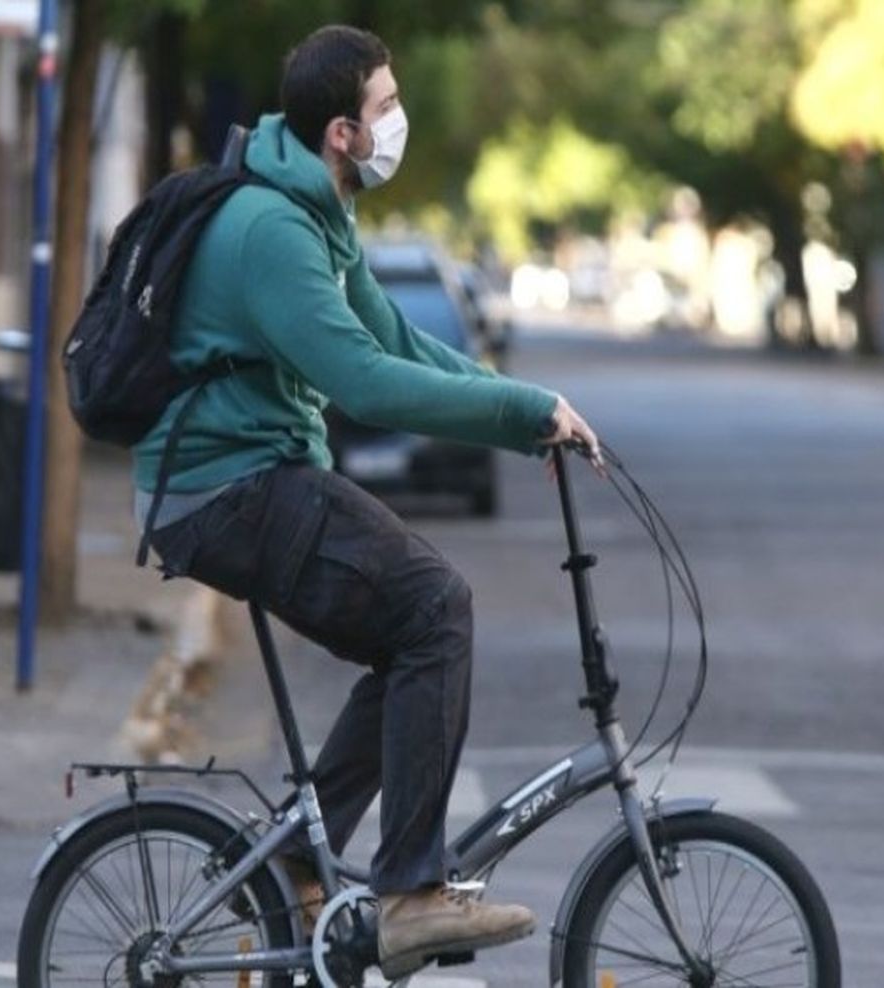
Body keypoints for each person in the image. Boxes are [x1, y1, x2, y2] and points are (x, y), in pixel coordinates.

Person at [134, 24, 601, 979]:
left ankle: (305, 859)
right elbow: (366, 384)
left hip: (257, 479)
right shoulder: (273, 232)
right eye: (387, 106)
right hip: (228, 490)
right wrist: (521, 407)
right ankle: (410, 896)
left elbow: (397, 339)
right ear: (342, 133)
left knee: (410, 637)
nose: (401, 122)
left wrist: (528, 418)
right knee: (436, 607)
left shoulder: (320, 215)